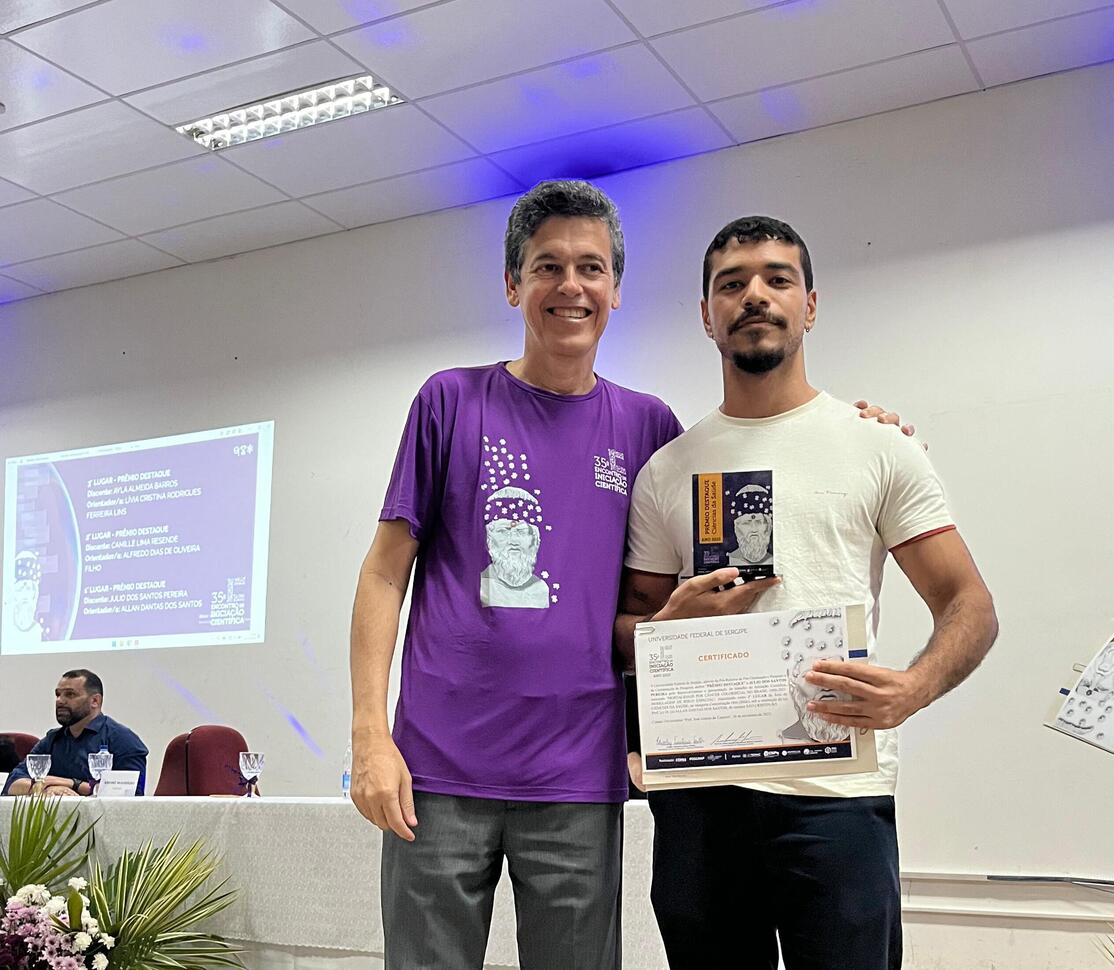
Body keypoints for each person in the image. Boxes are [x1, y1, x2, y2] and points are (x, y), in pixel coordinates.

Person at [349, 181, 918, 970]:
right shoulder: (449, 401)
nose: (571, 286)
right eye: (547, 267)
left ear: (615, 289)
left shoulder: (651, 430)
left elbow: (703, 577)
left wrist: (866, 432)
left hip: (580, 774)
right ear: (513, 284)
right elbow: (384, 576)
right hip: (437, 769)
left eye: (591, 267)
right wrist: (369, 735)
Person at [616, 215, 998, 969]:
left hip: (836, 797)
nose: (754, 296)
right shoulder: (667, 469)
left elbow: (971, 606)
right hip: (701, 800)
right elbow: (627, 628)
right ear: (707, 316)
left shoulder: (878, 446)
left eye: (777, 279)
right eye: (732, 284)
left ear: (810, 305)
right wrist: (666, 624)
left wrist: (913, 688)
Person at [2, 669, 148, 796]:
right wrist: (48, 788)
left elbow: (130, 795)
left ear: (95, 701)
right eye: (58, 694)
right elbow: (12, 783)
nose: (60, 701)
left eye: (70, 694)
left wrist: (73, 784)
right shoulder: (52, 740)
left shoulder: (122, 740)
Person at [8, 550, 47, 648]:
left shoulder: (41, 636)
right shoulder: (5, 631)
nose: (24, 594)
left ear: (34, 594)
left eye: (28, 588)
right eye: (20, 589)